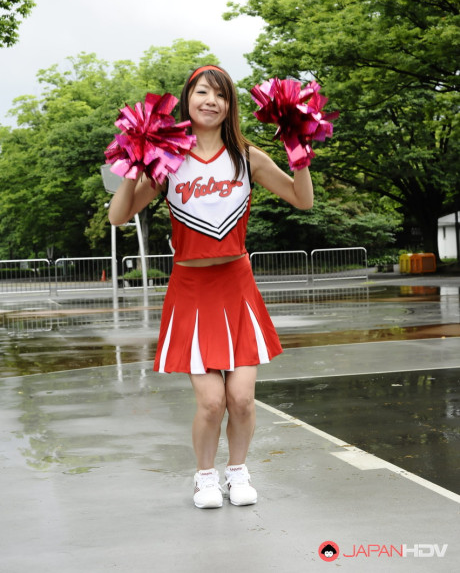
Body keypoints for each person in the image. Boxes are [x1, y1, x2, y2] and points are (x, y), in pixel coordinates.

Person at [108, 65, 313, 508]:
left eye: (220, 95)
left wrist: (301, 157)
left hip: (237, 286)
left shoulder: (247, 156)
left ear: (230, 105)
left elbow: (303, 200)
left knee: (241, 398)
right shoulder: (168, 158)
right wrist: (133, 164)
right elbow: (118, 216)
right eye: (202, 92)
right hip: (191, 289)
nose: (210, 101)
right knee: (211, 402)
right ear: (187, 98)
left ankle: (237, 472)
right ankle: (204, 477)